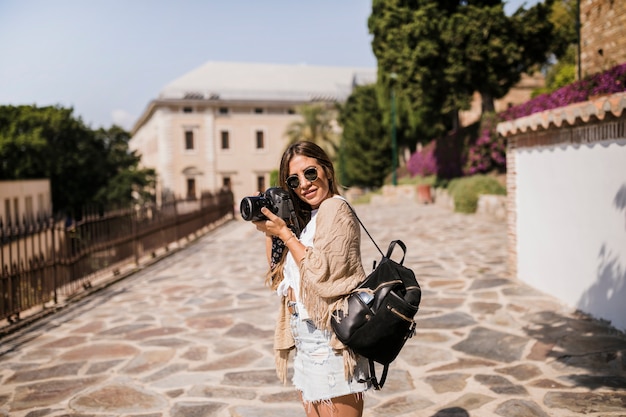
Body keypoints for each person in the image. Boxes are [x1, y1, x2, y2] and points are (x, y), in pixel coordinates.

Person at [250, 141, 371, 417]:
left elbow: (320, 274)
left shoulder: (335, 209)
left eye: (310, 173)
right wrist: (272, 228)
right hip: (306, 340)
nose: (304, 184)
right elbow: (277, 274)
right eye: (294, 180)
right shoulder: (311, 220)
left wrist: (286, 234)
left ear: (327, 170)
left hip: (330, 341)